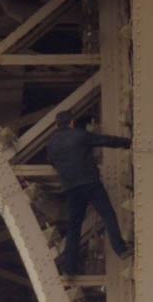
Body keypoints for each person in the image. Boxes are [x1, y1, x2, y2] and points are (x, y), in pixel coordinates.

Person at [46, 110, 132, 276]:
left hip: (71, 188)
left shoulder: (52, 144)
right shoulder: (80, 135)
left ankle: (70, 268)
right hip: (90, 184)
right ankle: (120, 249)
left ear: (57, 125)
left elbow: (52, 161)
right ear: (71, 122)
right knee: (108, 215)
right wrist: (127, 142)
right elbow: (105, 140)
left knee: (74, 228)